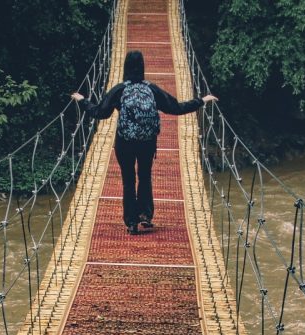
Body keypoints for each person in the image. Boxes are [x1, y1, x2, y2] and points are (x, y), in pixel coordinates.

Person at [72, 50, 216, 234]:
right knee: (145, 176)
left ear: (125, 67)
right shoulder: (152, 89)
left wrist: (82, 100)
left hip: (125, 142)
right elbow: (176, 108)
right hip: (147, 142)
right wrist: (201, 101)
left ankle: (131, 222)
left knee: (128, 181)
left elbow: (100, 112)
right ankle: (145, 215)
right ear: (143, 67)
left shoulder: (120, 89)